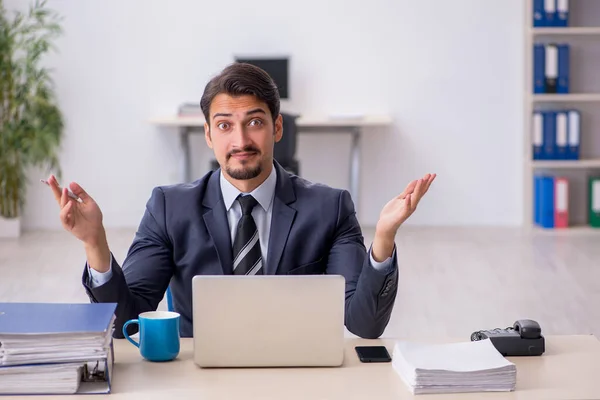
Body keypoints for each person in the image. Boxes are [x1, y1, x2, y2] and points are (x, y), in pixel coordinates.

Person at [47, 63, 435, 339]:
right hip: (199, 372)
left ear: (277, 127)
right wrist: (94, 242)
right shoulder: (169, 207)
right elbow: (126, 319)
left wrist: (383, 239)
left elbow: (363, 325)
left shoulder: (329, 208)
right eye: (225, 125)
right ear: (208, 134)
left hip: (298, 370)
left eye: (255, 122)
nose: (241, 141)